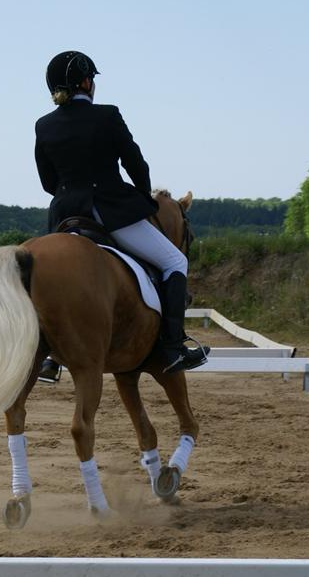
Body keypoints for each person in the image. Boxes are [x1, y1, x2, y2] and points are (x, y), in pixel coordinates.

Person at [34, 50, 208, 379]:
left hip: (64, 217)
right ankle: (173, 347)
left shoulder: (44, 125)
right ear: (87, 83)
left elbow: (47, 182)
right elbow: (136, 164)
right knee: (175, 262)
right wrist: (142, 198)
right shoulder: (107, 115)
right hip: (110, 210)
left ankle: (50, 358)